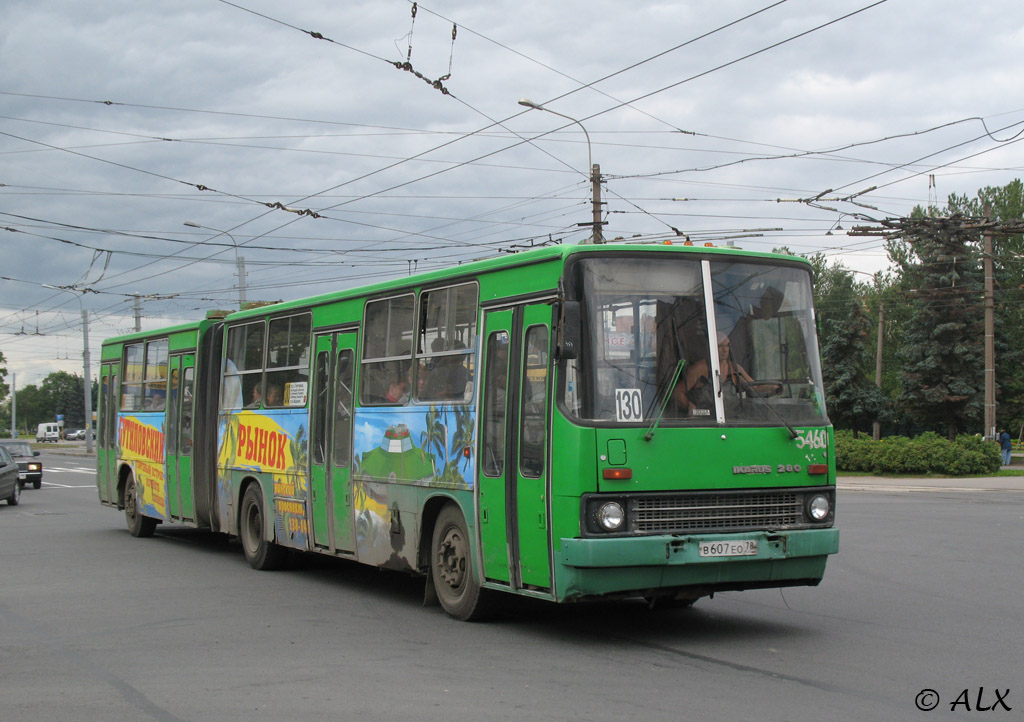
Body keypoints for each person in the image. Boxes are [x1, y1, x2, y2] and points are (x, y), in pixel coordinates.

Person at [673, 332, 780, 415]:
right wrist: (690, 407)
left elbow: (754, 387)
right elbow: (677, 392)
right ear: (711, 347)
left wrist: (773, 387)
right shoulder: (699, 369)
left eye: (727, 346)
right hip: (704, 421)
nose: (725, 350)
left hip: (731, 421)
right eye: (720, 346)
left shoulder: (734, 369)